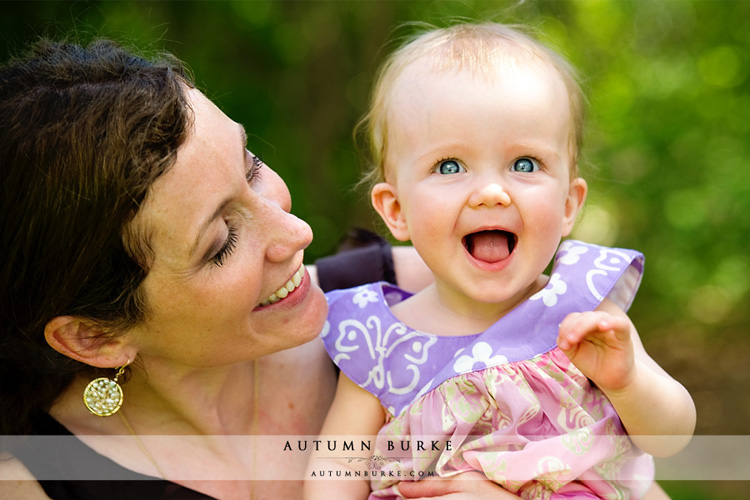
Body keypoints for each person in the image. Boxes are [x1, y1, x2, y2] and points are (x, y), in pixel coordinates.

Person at [0, 37, 517, 500]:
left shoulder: (431, 297)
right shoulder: (31, 480)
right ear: (94, 336)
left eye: (252, 166)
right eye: (221, 243)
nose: (298, 234)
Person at [305, 23, 696, 500]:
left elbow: (672, 438)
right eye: (449, 166)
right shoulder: (380, 343)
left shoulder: (581, 312)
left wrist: (628, 384)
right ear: (397, 210)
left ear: (569, 204)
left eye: (525, 164)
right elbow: (335, 469)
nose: (491, 192)